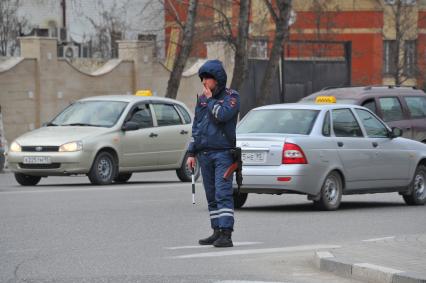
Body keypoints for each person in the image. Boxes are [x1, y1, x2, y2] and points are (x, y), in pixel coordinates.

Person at [186, 59, 240, 248]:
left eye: (206, 79)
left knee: (222, 193)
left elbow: (223, 115)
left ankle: (226, 234)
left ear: (216, 79)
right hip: (204, 154)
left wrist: (210, 100)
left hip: (223, 153)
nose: (203, 83)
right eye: (202, 79)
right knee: (211, 194)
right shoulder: (201, 99)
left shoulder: (231, 97)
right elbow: (197, 126)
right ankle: (216, 231)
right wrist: (191, 153)